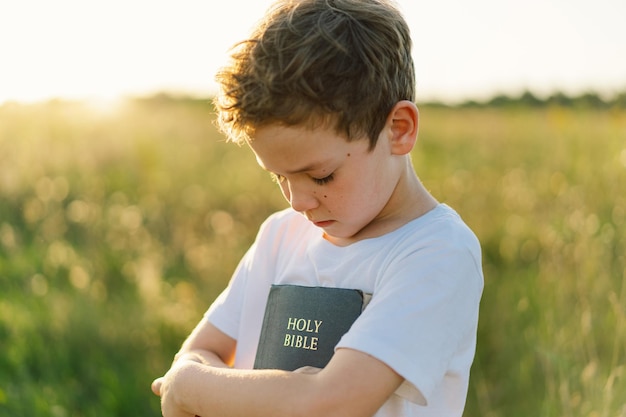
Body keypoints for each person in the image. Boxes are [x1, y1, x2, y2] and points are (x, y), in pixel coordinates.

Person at [151, 0, 483, 416]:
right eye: (279, 177)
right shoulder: (280, 235)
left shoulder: (436, 254)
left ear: (398, 129)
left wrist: (189, 387)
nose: (297, 201)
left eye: (321, 176)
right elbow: (199, 351)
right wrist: (191, 378)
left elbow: (331, 404)